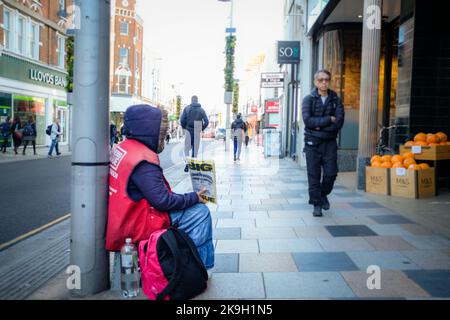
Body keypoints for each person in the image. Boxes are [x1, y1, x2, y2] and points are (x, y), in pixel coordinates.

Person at [105, 104, 214, 275]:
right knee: (201, 213)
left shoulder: (125, 148)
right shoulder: (143, 160)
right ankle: (199, 268)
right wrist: (194, 197)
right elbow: (163, 201)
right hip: (136, 223)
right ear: (149, 131)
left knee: (190, 208)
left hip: (123, 216)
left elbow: (156, 194)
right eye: (161, 133)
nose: (163, 137)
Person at [302, 69, 345, 217]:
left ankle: (322, 194)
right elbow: (308, 121)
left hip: (329, 143)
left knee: (331, 174)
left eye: (327, 79)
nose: (324, 82)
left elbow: (339, 122)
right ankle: (316, 204)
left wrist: (320, 127)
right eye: (321, 80)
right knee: (314, 175)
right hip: (312, 143)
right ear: (315, 82)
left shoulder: (336, 100)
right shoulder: (308, 99)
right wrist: (328, 120)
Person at [180, 95, 209, 172]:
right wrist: (201, 128)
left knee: (186, 148)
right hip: (197, 130)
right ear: (197, 100)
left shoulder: (186, 108)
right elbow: (207, 121)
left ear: (191, 100)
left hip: (188, 130)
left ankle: (187, 163)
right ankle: (193, 166)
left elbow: (182, 120)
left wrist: (184, 127)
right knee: (195, 149)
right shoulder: (201, 110)